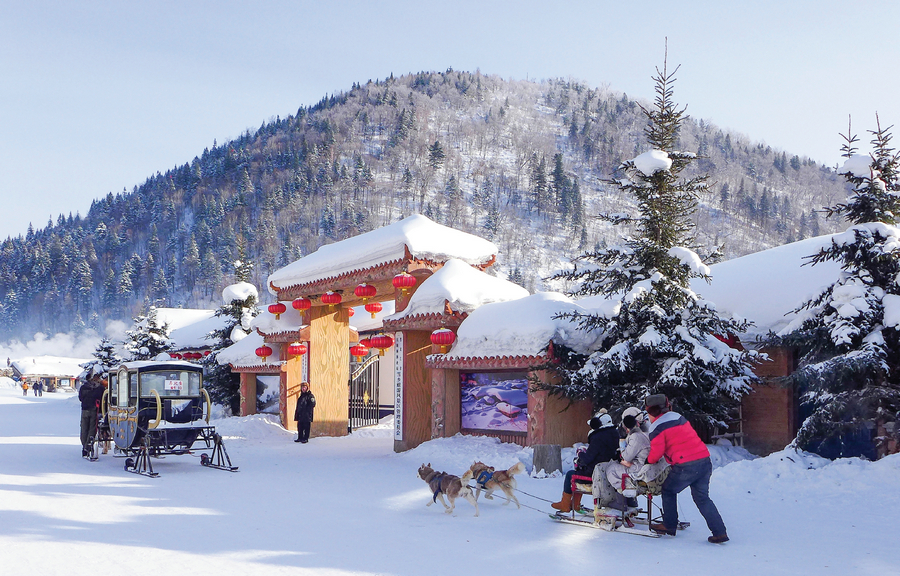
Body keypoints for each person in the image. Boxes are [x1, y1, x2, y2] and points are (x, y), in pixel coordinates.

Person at [644, 394, 729, 544]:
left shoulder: (657, 427)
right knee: (702, 498)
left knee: (668, 490)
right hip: (704, 460)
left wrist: (648, 461)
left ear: (651, 411)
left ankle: (669, 526)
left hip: (686, 466)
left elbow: (656, 453)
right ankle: (719, 532)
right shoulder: (678, 417)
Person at [551, 410, 619, 513]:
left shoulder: (598, 437)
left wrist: (580, 454)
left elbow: (588, 459)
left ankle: (565, 504)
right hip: (607, 472)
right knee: (579, 470)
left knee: (570, 474)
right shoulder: (614, 435)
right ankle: (575, 504)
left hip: (595, 475)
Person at [78, 374, 106, 457]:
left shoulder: (83, 387)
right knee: (92, 429)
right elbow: (103, 399)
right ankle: (88, 446)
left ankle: (84, 447)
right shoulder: (100, 388)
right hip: (94, 410)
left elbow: (80, 398)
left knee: (84, 428)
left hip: (84, 409)